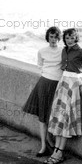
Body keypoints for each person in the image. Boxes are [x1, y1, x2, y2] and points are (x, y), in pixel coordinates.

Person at [45, 28, 82, 164]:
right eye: (67, 38)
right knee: (58, 116)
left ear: (76, 38)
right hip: (63, 83)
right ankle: (56, 150)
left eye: (72, 38)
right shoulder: (64, 50)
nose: (70, 40)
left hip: (73, 85)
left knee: (65, 118)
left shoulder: (81, 52)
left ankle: (59, 152)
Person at [22, 27, 63, 157]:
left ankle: (52, 143)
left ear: (59, 38)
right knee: (42, 117)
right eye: (51, 37)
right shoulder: (42, 51)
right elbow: (40, 65)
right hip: (44, 83)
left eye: (56, 37)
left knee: (54, 115)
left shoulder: (63, 51)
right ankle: (43, 146)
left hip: (57, 85)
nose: (53, 40)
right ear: (48, 38)